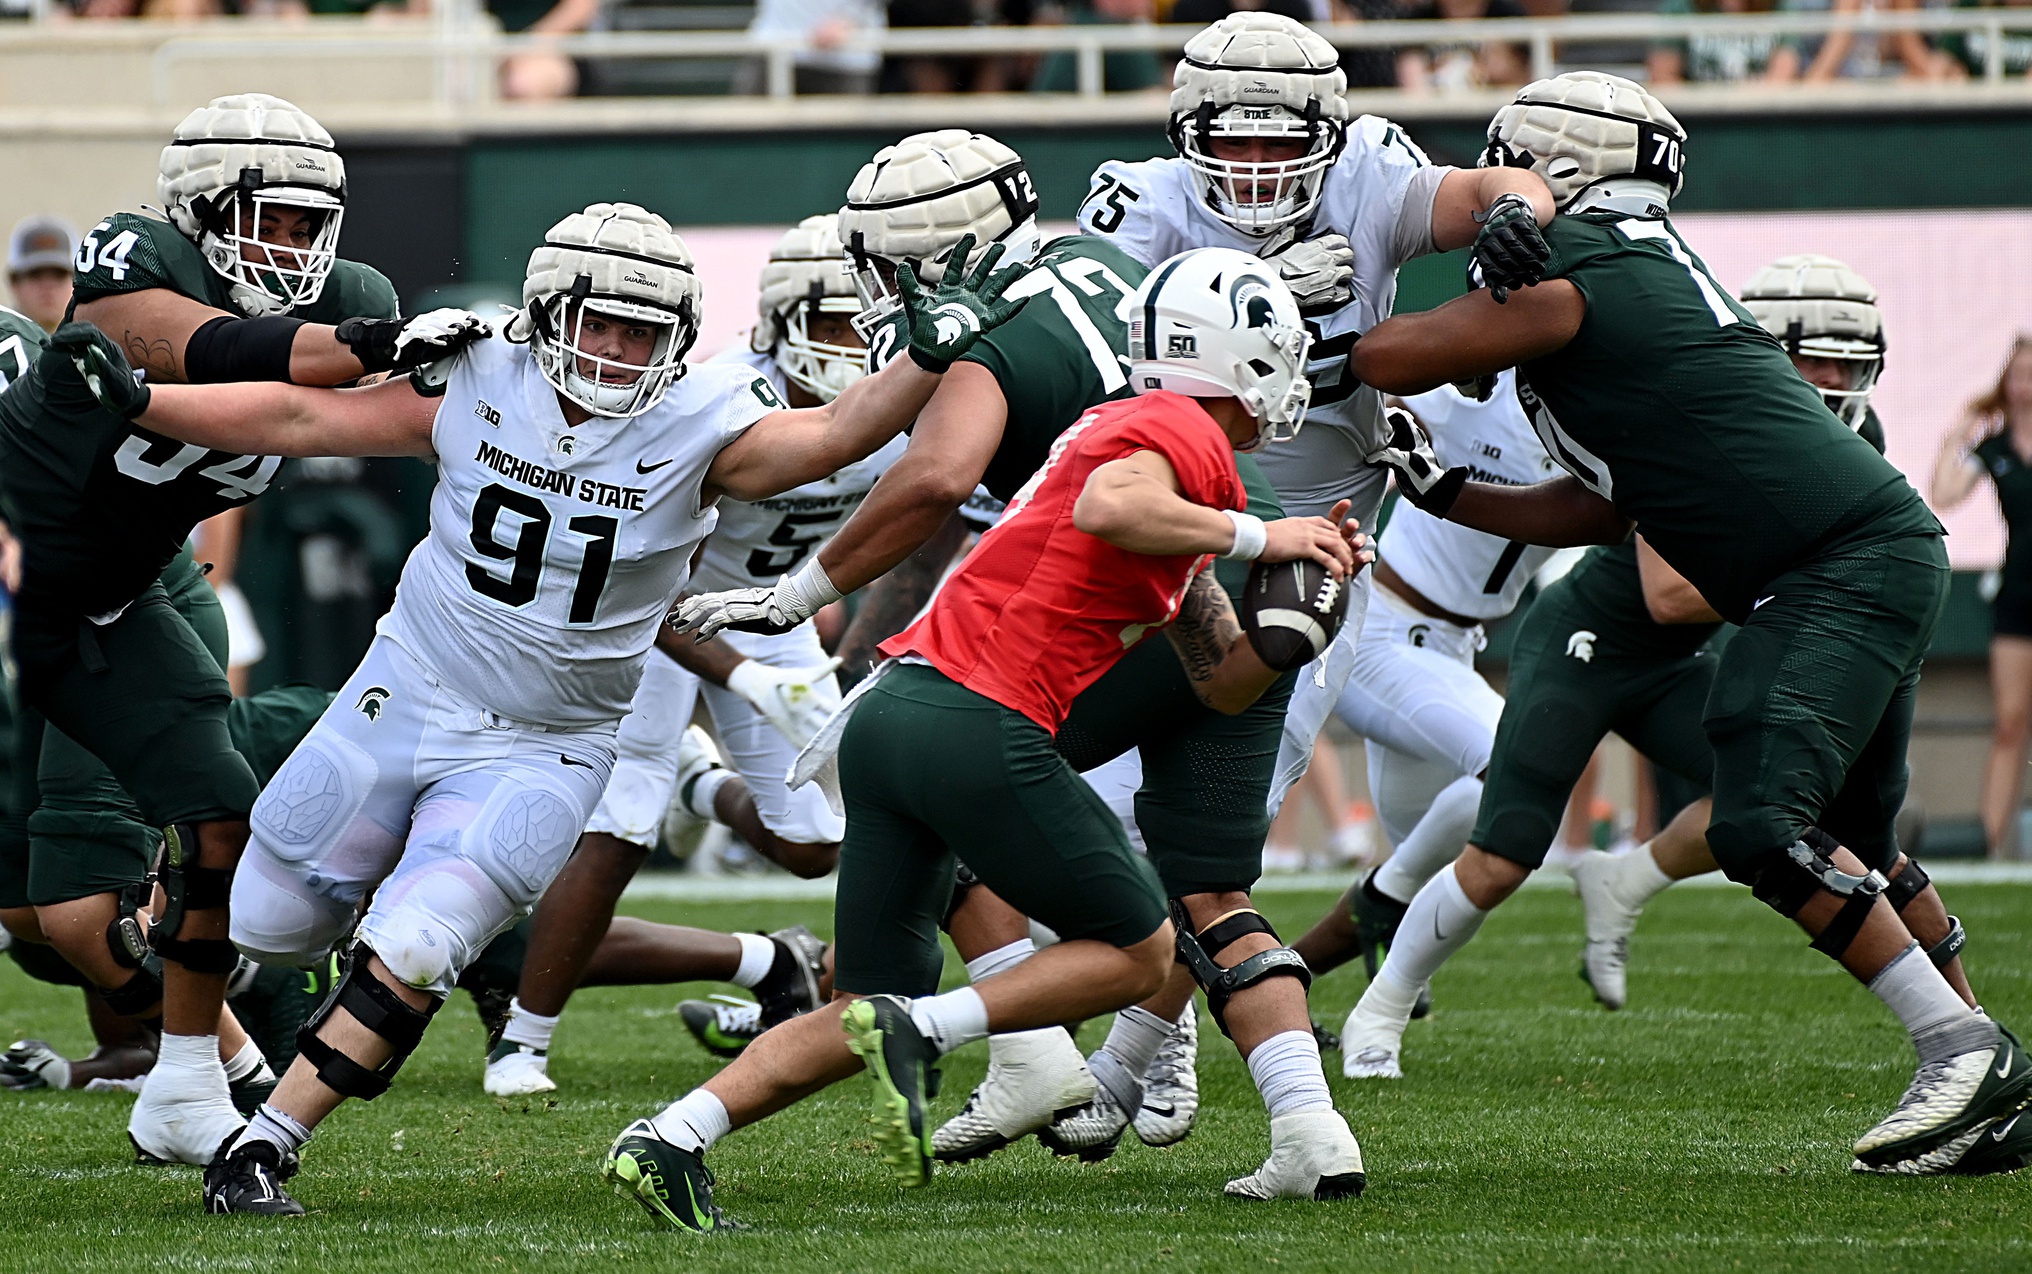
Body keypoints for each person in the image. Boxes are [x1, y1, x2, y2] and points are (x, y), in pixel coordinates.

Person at [52, 198, 1021, 1215]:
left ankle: (266, 1144)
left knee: (421, 944)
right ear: (547, 311)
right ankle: (262, 980)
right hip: (413, 687)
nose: (614, 350)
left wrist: (925, 356)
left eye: (641, 331)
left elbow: (833, 430)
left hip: (547, 743)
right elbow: (301, 416)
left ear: (679, 340)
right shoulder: (481, 374)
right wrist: (139, 398)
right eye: (597, 321)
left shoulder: (702, 423)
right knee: (271, 919)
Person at [1353, 69, 2028, 1176]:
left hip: (1829, 566)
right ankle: (1988, 1078)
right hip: (1859, 555)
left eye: (1508, 171)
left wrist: (1341, 300)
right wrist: (1447, 495)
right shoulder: (1628, 263)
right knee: (1855, 842)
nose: (1491, 192)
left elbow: (1389, 357)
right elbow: (1611, 503)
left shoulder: (1582, 263)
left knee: (1759, 823)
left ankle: (1959, 1048)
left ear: (1556, 165)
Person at [611, 248, 1366, 1232]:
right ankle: (924, 1029)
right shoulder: (1176, 428)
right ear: (1246, 357)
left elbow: (1219, 680)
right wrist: (1275, 539)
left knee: (860, 1003)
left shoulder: (1139, 447)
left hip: (892, 717)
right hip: (975, 720)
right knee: (1139, 951)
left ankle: (669, 1136)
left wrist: (1293, 635)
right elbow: (1112, 506)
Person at [0, 93, 486, 1169]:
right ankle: (236, 1046)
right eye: (276, 217)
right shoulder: (134, 259)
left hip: (138, 585)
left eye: (317, 223)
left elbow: (341, 408)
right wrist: (365, 342)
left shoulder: (353, 299)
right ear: (198, 207)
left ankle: (187, 1078)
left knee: (149, 865)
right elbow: (185, 341)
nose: (300, 246)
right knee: (49, 916)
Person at [482, 214, 896, 1097]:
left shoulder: (894, 413)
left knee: (817, 841)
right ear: (782, 318)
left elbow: (910, 522)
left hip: (770, 614)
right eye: (830, 325)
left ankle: (697, 783)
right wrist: (747, 674)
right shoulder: (713, 403)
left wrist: (836, 630)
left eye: (863, 325)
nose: (850, 346)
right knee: (621, 823)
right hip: (648, 614)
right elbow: (643, 579)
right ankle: (523, 1041)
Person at [1284, 374, 1556, 1008]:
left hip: (1453, 650)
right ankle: (1347, 936)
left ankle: (1325, 983)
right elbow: (1374, 392)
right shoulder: (1476, 395)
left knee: (1437, 861)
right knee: (1513, 773)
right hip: (1382, 633)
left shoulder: (1598, 425)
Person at [1930, 335, 2032, 858]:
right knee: (2010, 724)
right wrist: (1958, 432)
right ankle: (1992, 850)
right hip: (2018, 597)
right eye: (2017, 375)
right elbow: (1943, 494)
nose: (2024, 386)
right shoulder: (1994, 448)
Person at [6, 216, 74, 334]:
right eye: (35, 274)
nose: (48, 286)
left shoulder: (99, 347)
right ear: (14, 283)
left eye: (59, 275)